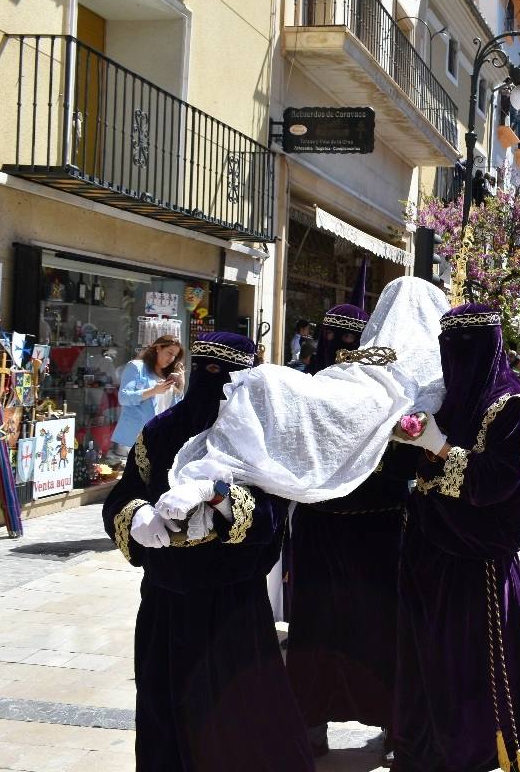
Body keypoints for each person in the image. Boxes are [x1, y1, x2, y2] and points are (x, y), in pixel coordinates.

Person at [102, 333, 313, 772]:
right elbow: (124, 493)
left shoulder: (259, 437)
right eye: (205, 372)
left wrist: (217, 496)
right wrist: (137, 515)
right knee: (165, 715)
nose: (211, 384)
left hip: (231, 605)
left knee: (236, 721)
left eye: (224, 374)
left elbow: (272, 518)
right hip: (164, 599)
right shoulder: (160, 431)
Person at [390, 304, 520, 772]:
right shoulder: (446, 398)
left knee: (468, 672)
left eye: (465, 349)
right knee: (426, 663)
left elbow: (497, 482)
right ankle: (422, 748)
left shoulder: (511, 407)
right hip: (427, 553)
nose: (454, 359)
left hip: (476, 565)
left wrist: (440, 448)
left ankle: (473, 754)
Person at [286, 304, 417, 762]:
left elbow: (407, 462)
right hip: (324, 529)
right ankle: (310, 724)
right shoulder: (305, 391)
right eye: (334, 342)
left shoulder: (391, 393)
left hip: (377, 528)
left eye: (350, 342)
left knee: (381, 628)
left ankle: (392, 725)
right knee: (317, 630)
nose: (342, 352)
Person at [111, 335, 183, 459]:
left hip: (159, 439)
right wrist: (154, 390)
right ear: (158, 348)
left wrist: (181, 386)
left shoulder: (168, 375)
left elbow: (175, 410)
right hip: (134, 439)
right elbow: (124, 398)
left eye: (175, 356)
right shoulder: (136, 367)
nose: (171, 359)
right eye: (169, 353)